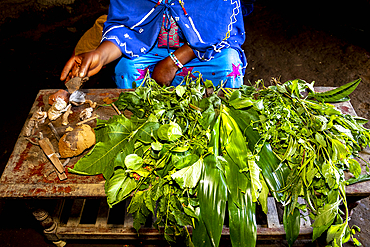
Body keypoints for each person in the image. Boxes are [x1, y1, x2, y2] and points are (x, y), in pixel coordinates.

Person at [60, 0, 254, 88]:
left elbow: (217, 28)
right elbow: (125, 27)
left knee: (228, 65)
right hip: (149, 46)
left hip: (201, 52)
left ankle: (220, 126)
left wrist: (173, 62)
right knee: (126, 69)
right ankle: (139, 132)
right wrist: (100, 55)